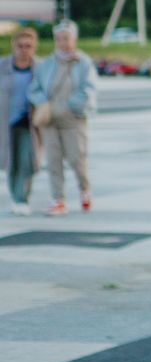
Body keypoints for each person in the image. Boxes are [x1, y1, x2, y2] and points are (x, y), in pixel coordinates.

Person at [28, 20, 98, 216]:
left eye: (66, 38)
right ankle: (58, 199)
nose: (62, 43)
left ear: (74, 39)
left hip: (73, 118)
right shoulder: (47, 64)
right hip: (49, 119)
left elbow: (89, 89)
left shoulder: (83, 63)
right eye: (58, 39)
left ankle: (84, 189)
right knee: (53, 160)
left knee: (77, 158)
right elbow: (34, 89)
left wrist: (71, 105)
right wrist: (43, 102)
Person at [1, 28, 41, 215]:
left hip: (30, 123)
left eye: (28, 46)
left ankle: (23, 198)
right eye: (20, 46)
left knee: (27, 161)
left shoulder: (40, 68)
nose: (24, 50)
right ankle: (16, 198)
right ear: (13, 46)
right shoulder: (3, 66)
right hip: (7, 122)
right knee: (11, 162)